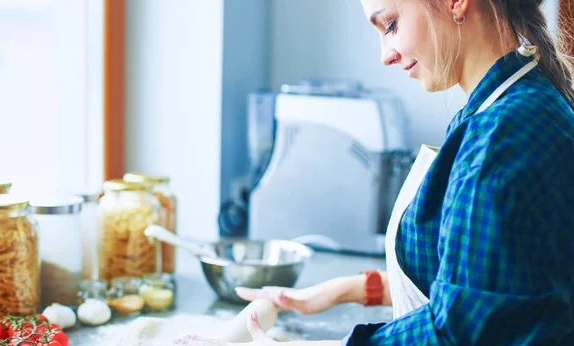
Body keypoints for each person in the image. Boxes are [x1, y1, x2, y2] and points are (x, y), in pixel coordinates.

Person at [175, 0, 574, 344]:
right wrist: (339, 291)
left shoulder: (503, 138)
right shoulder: (502, 107)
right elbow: (481, 282)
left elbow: (460, 332)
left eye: (392, 25)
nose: (386, 54)